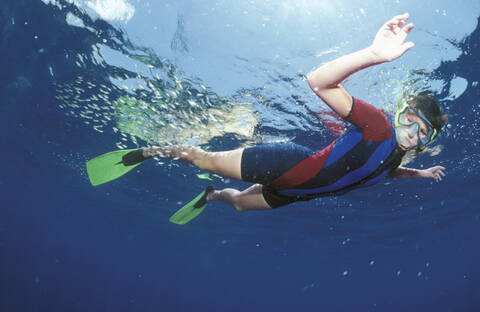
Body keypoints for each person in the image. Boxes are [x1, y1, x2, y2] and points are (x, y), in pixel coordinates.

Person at [86, 13, 448, 224]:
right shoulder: (379, 126)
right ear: (399, 113)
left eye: (423, 133)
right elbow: (319, 83)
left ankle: (211, 196)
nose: (412, 134)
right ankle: (147, 153)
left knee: (241, 203)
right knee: (205, 159)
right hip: (286, 165)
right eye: (410, 121)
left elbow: (389, 170)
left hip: (292, 195)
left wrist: (421, 173)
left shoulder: (398, 156)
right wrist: (373, 54)